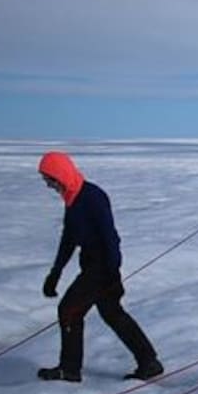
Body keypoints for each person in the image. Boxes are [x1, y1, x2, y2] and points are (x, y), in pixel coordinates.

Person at [37, 151, 163, 382]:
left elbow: (110, 236)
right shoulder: (72, 198)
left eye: (49, 179)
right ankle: (149, 361)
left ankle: (70, 369)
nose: (48, 185)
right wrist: (56, 271)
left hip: (102, 266)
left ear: (60, 174)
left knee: (68, 310)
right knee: (112, 313)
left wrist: (112, 271)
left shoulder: (92, 196)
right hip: (93, 265)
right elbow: (69, 238)